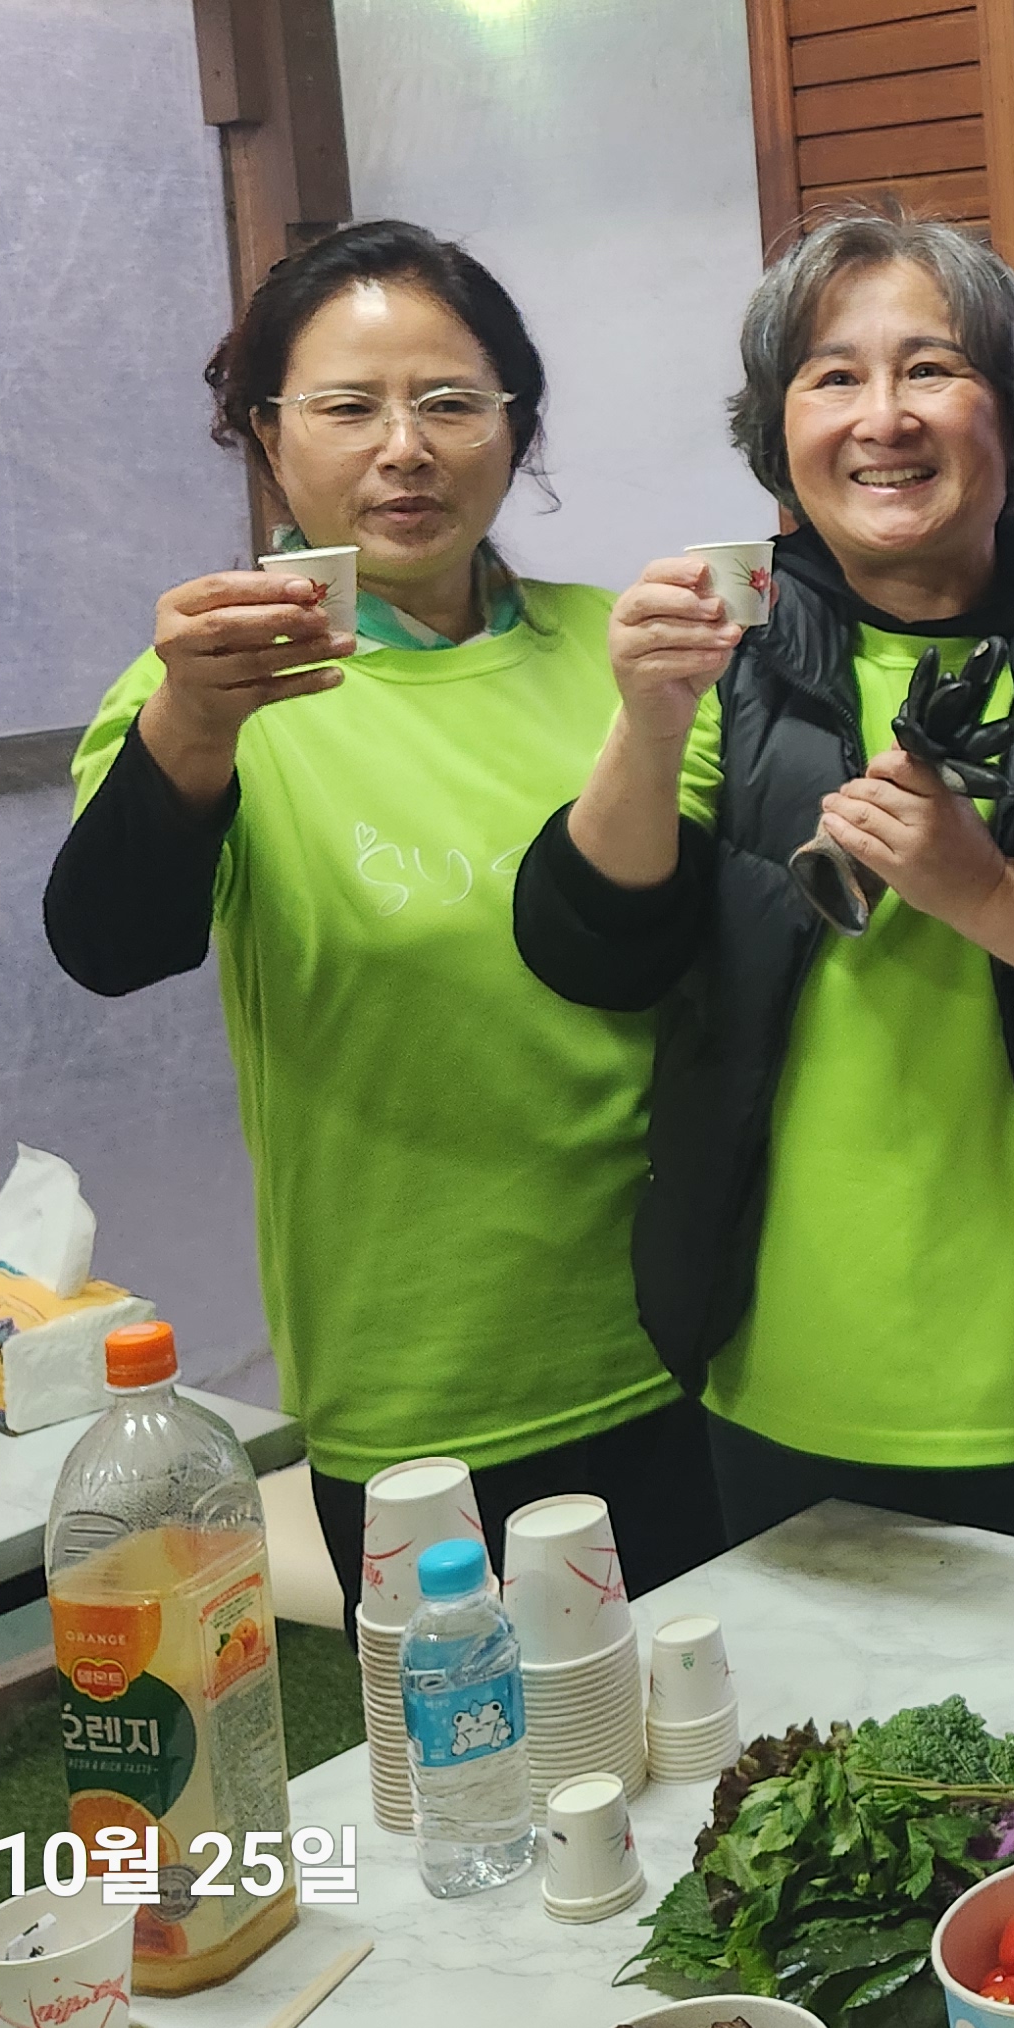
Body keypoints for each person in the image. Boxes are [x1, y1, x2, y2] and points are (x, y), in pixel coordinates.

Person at [513, 208, 1014, 1561]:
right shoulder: (726, 653)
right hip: (771, 1369)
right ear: (779, 430)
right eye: (834, 376)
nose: (885, 417)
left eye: (933, 368)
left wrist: (984, 892)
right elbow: (595, 952)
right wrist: (645, 722)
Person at [45, 220, 721, 1598]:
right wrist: (193, 722)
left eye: (452, 402)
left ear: (516, 427)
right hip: (421, 1371)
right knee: (476, 1726)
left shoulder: (629, 652)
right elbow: (113, 944)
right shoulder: (212, 690)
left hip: (693, 1328)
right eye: (348, 407)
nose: (404, 449)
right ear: (267, 435)